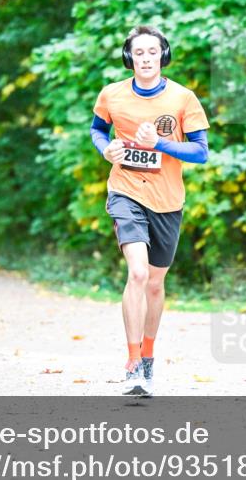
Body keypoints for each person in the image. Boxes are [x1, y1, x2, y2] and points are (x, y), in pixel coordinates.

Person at [90, 25, 210, 396]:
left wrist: (160, 143)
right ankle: (132, 364)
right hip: (125, 190)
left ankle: (149, 356)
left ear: (162, 55)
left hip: (167, 201)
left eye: (151, 52)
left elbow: (201, 152)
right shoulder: (112, 95)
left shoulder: (182, 98)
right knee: (138, 274)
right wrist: (105, 149)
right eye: (138, 52)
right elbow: (97, 130)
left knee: (156, 283)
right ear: (129, 57)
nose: (145, 58)